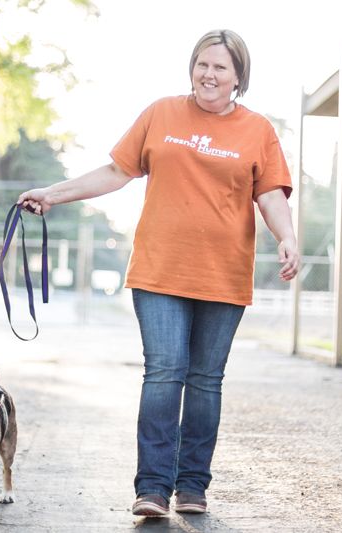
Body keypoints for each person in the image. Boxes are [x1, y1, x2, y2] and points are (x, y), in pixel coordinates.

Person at [18, 29, 299, 517]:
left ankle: (192, 486)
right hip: (159, 270)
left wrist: (288, 238)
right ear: (192, 67)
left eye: (221, 68)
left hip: (223, 275)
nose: (209, 75)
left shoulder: (258, 130)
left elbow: (270, 194)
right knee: (165, 373)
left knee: (207, 380)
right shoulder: (160, 114)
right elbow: (115, 172)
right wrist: (52, 193)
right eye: (202, 65)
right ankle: (152, 488)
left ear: (238, 78)